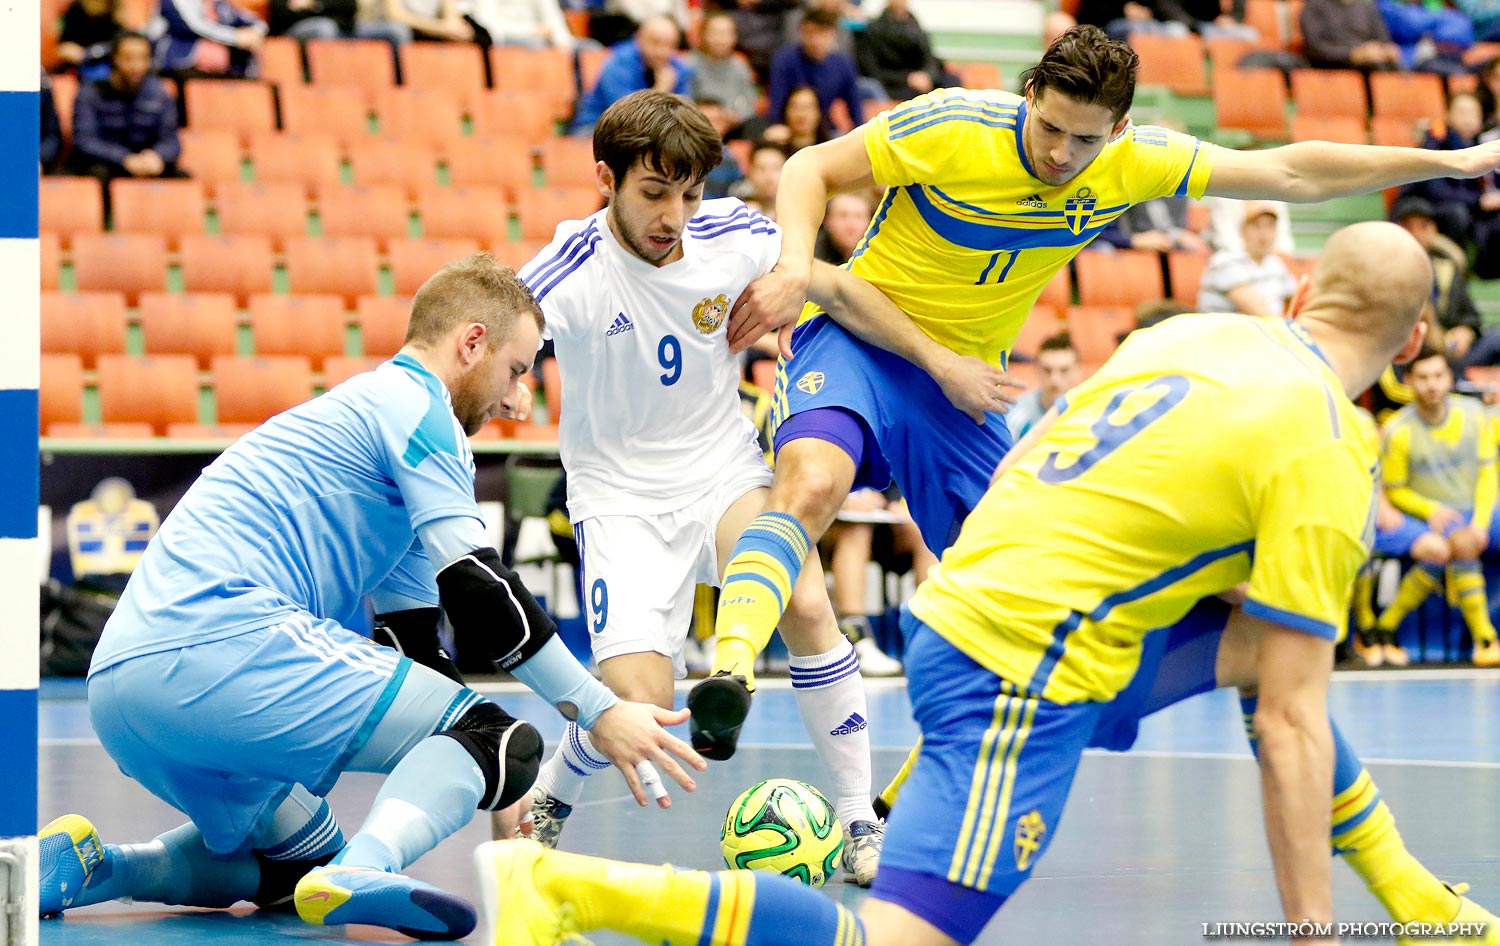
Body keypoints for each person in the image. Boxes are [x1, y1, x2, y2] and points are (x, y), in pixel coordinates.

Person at [473, 221, 1497, 946]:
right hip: (1022, 672)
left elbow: (1046, 484)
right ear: (1412, 346)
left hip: (973, 611)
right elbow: (1292, 727)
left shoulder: (1191, 332)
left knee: (1256, 650)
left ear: (1305, 289)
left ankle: (1411, 900)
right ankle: (564, 887)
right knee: (897, 937)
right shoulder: (1327, 448)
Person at [689, 25, 1500, 761]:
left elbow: (1288, 168)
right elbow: (810, 166)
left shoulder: (1131, 158)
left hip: (966, 385)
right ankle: (730, 673)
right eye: (1048, 128)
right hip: (859, 339)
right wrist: (797, 262)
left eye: (1084, 140)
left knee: (1013, 583)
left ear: (1115, 130)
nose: (1060, 155)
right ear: (1030, 94)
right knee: (811, 484)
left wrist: (1453, 162)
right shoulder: (950, 125)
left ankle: (908, 785)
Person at [36, 254, 705, 939]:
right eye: (517, 369)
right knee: (499, 738)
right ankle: (366, 866)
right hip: (221, 641)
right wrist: (597, 713)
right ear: (471, 343)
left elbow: (419, 657)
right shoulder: (420, 410)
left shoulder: (374, 429)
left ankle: (103, 867)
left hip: (121, 686)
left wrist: (497, 783)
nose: (517, 400)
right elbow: (479, 586)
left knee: (301, 868)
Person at [515, 90, 903, 885]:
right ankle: (548, 801)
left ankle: (860, 819)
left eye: (688, 194)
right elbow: (502, 326)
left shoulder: (733, 235)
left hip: (722, 466)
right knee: (639, 704)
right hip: (618, 496)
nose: (674, 215)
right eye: (654, 193)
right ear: (606, 179)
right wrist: (509, 379)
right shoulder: (572, 267)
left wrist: (804, 291)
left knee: (802, 601)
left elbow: (836, 290)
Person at [1371, 347, 1500, 667]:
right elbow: (1396, 490)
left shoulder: (1474, 415)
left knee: (1467, 537)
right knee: (1457, 544)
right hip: (1432, 518)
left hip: (1479, 511)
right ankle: (1485, 639)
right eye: (1424, 377)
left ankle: (1385, 624)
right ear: (1409, 381)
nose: (1432, 385)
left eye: (1439, 376)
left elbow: (1488, 474)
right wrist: (1431, 511)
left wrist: (1481, 522)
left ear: (1449, 379)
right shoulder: (1399, 430)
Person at [67, 32, 183, 206]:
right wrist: (124, 159)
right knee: (95, 175)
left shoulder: (159, 94)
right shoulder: (90, 93)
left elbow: (171, 141)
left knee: (182, 178)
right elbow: (84, 141)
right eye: (128, 58)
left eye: (143, 58)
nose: (136, 66)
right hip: (106, 163)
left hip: (145, 161)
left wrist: (157, 156)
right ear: (114, 59)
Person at [572, 16, 693, 135]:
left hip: (647, 132)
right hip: (597, 128)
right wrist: (661, 90)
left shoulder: (677, 68)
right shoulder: (618, 64)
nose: (661, 51)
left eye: (669, 45)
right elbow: (626, 118)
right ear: (638, 38)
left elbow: (685, 113)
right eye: (655, 43)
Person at [1196, 200, 1298, 317]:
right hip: (1226, 332)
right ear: (1242, 229)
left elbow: (1300, 300)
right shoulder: (1225, 261)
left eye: (1270, 226)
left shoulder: (1275, 264)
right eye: (1256, 226)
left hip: (1263, 331)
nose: (1264, 234)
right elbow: (1262, 314)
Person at [767, 7, 862, 133]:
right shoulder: (784, 60)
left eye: (821, 33)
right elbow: (777, 103)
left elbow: (854, 106)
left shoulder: (843, 64)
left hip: (825, 129)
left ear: (833, 33)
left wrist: (859, 134)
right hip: (790, 129)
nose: (815, 40)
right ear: (802, 33)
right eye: (810, 33)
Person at [854, 0, 958, 102]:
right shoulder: (874, 31)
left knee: (951, 83)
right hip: (895, 84)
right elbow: (872, 71)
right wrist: (908, 79)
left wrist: (926, 75)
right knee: (915, 96)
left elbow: (929, 59)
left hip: (922, 78)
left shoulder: (916, 28)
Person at [1006, 331, 1079, 439]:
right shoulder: (1016, 412)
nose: (1055, 380)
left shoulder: (1095, 412)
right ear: (1036, 370)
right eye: (1047, 370)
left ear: (1078, 371)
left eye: (1064, 370)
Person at [56, 0, 124, 82]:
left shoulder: (117, 12)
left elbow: (119, 43)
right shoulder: (76, 8)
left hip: (106, 65)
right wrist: (69, 49)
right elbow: (63, 45)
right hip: (78, 65)